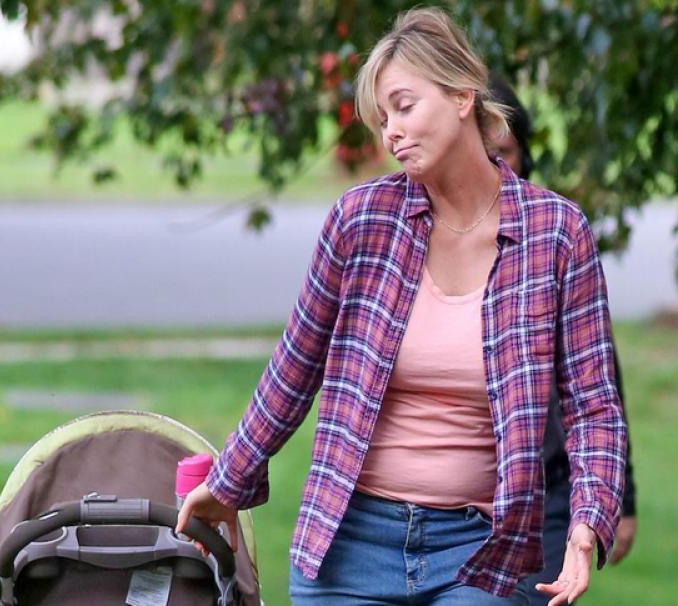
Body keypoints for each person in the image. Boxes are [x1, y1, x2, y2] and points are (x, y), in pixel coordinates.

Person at [176, 8, 627, 605]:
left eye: (404, 107)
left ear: (463, 95)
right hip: (348, 544)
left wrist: (587, 523)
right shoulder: (361, 219)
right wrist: (228, 480)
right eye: (382, 118)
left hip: (481, 552)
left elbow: (594, 405)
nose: (390, 132)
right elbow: (294, 369)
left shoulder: (557, 232)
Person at [486, 76, 638, 605]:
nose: (494, 164)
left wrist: (621, 499)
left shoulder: (557, 238)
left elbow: (599, 386)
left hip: (547, 491)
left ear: (525, 156)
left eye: (506, 151)